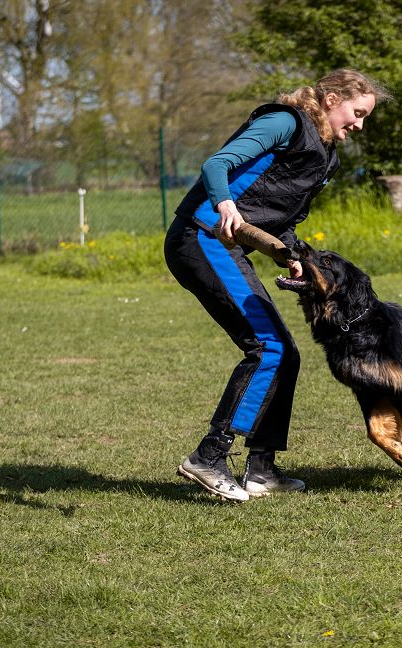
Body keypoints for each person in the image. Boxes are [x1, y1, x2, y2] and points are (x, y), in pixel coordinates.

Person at [165, 69, 390, 502]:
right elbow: (217, 165)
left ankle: (262, 469)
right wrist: (224, 202)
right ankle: (209, 457)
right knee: (269, 348)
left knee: (285, 353)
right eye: (357, 112)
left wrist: (293, 254)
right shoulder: (285, 122)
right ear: (330, 99)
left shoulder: (326, 155)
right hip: (203, 236)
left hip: (225, 246)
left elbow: (276, 216)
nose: (360, 124)